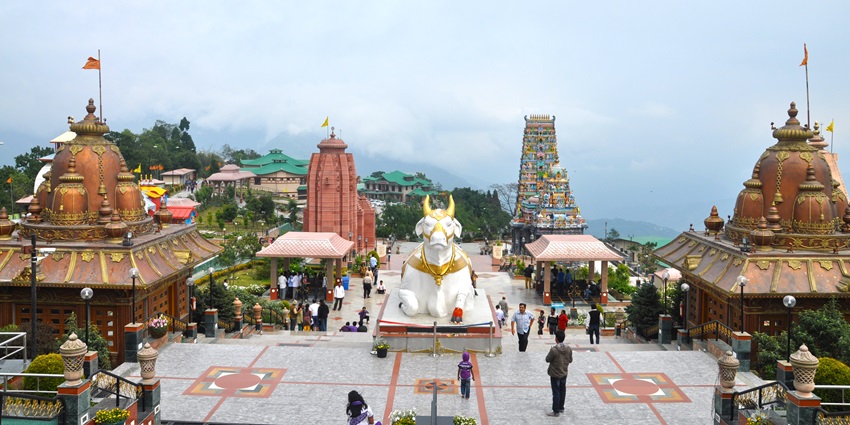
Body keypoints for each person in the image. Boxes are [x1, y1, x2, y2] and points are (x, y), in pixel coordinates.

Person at [545, 330, 573, 417]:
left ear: (556, 339)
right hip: (564, 372)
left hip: (555, 373)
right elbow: (570, 360)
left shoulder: (554, 350)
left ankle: (556, 411)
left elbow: (547, 359)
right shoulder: (568, 348)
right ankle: (561, 407)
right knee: (562, 390)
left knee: (556, 392)